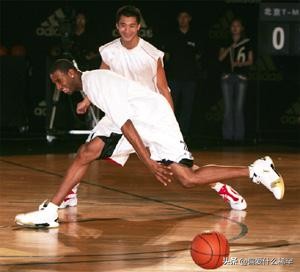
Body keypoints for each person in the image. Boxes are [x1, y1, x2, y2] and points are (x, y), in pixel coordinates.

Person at [15, 59, 284, 228]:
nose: (59, 87)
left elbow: (127, 126)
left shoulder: (95, 82)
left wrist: (149, 162)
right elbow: (122, 121)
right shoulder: (91, 84)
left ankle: (255, 169)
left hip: (154, 122)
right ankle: (51, 210)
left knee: (187, 178)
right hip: (137, 119)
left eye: (60, 81)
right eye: (55, 84)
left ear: (71, 72)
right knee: (86, 151)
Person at [61, 5, 247, 211]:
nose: (127, 30)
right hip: (120, 112)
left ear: (139, 27)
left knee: (183, 171)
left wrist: (170, 122)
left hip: (149, 116)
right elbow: (102, 76)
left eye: (132, 26)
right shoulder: (108, 50)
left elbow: (163, 88)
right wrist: (87, 100)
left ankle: (223, 188)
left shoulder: (151, 54)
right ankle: (70, 193)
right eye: (123, 26)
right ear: (117, 27)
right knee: (87, 151)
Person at [165, 10, 201, 140]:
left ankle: (183, 133)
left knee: (187, 107)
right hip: (174, 77)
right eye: (180, 17)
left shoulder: (195, 36)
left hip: (190, 78)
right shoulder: (172, 35)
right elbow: (167, 55)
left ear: (189, 19)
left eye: (185, 17)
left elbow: (198, 56)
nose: (183, 20)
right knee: (171, 106)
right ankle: (171, 132)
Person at [218, 18, 253, 144]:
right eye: (233, 25)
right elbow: (221, 57)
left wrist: (240, 63)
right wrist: (230, 48)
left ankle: (239, 138)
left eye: (237, 26)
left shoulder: (247, 42)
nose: (235, 28)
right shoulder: (226, 41)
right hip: (227, 76)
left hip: (241, 77)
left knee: (238, 108)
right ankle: (227, 137)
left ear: (241, 28)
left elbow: (250, 60)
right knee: (228, 108)